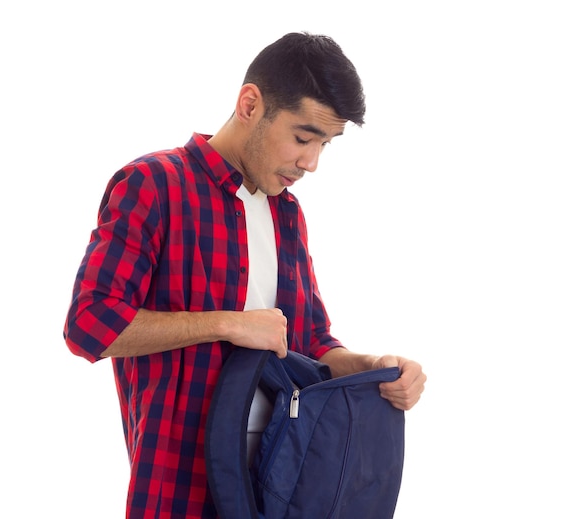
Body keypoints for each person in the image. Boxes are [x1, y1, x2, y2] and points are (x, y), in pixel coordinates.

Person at [64, 31, 427, 519]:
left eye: (325, 144)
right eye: (302, 137)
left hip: (287, 485)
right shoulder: (153, 184)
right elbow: (90, 325)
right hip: (182, 487)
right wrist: (227, 323)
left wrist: (371, 369)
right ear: (250, 104)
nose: (311, 163)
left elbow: (311, 340)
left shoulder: (287, 215)